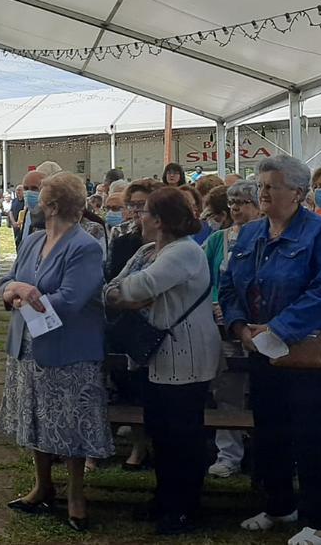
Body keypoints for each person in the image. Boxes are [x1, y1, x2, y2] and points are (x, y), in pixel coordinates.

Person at [219, 155, 321, 545]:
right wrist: (241, 326)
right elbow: (228, 285)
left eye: (270, 186)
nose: (261, 193)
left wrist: (278, 328)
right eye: (260, 185)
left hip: (312, 349)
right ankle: (278, 505)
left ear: (296, 192)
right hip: (260, 346)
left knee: (313, 434)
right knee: (270, 429)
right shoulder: (250, 234)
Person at [0, 172, 110, 532]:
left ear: (54, 206)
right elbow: (6, 282)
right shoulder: (31, 241)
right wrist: (15, 288)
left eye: (39, 195)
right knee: (36, 418)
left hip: (68, 349)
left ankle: (76, 493)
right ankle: (42, 485)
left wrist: (27, 298)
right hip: (28, 347)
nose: (32, 201)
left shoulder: (85, 246)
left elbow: (72, 299)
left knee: (70, 423)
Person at [105, 188, 219, 534]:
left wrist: (124, 296)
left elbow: (135, 289)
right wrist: (121, 295)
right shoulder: (145, 251)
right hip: (155, 355)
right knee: (161, 432)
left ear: (159, 219)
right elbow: (113, 287)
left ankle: (184, 507)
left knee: (182, 435)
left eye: (144, 212)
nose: (138, 217)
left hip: (185, 355)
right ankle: (164, 498)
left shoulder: (183, 252)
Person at [203, 180, 260, 479]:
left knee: (264, 390)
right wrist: (215, 302)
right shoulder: (217, 240)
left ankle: (265, 454)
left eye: (243, 203)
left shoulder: (267, 238)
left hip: (259, 325)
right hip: (222, 325)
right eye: (233, 204)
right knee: (227, 389)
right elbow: (203, 276)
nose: (236, 209)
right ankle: (229, 454)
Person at [108, 179, 159, 282]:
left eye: (141, 204)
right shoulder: (121, 243)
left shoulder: (169, 240)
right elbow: (112, 279)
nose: (135, 210)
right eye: (131, 205)